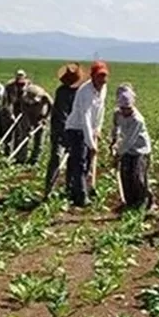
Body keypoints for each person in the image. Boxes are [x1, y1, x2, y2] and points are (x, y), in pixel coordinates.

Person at [63, 60, 109, 207]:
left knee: (81, 161)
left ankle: (72, 188)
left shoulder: (104, 88)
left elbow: (101, 110)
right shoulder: (85, 92)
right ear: (92, 76)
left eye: (104, 76)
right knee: (80, 162)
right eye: (99, 76)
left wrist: (98, 129)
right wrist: (91, 143)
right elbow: (86, 118)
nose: (102, 79)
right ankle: (81, 197)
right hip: (76, 128)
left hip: (89, 128)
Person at [111, 84, 154, 210]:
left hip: (140, 150)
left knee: (138, 177)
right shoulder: (117, 114)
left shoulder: (137, 120)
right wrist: (113, 140)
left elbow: (129, 141)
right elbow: (115, 128)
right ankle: (130, 202)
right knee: (126, 175)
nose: (125, 111)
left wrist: (117, 154)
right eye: (123, 108)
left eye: (128, 108)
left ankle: (146, 202)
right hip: (127, 149)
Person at [44, 63, 83, 199]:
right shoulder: (62, 92)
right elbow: (61, 115)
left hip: (75, 130)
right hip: (60, 131)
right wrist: (65, 136)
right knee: (56, 158)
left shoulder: (80, 92)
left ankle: (70, 188)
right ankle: (49, 189)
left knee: (74, 160)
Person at [13, 82, 52, 164]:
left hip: (40, 118)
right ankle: (21, 158)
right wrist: (28, 128)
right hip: (28, 118)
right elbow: (25, 114)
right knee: (24, 136)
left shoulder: (45, 97)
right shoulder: (23, 100)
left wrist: (46, 118)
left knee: (39, 139)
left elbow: (52, 108)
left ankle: (35, 159)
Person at [0, 69, 28, 154]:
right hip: (9, 110)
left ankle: (16, 151)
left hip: (22, 111)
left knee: (19, 132)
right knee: (8, 131)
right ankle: (7, 149)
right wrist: (10, 114)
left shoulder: (28, 86)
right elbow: (6, 102)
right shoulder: (9, 86)